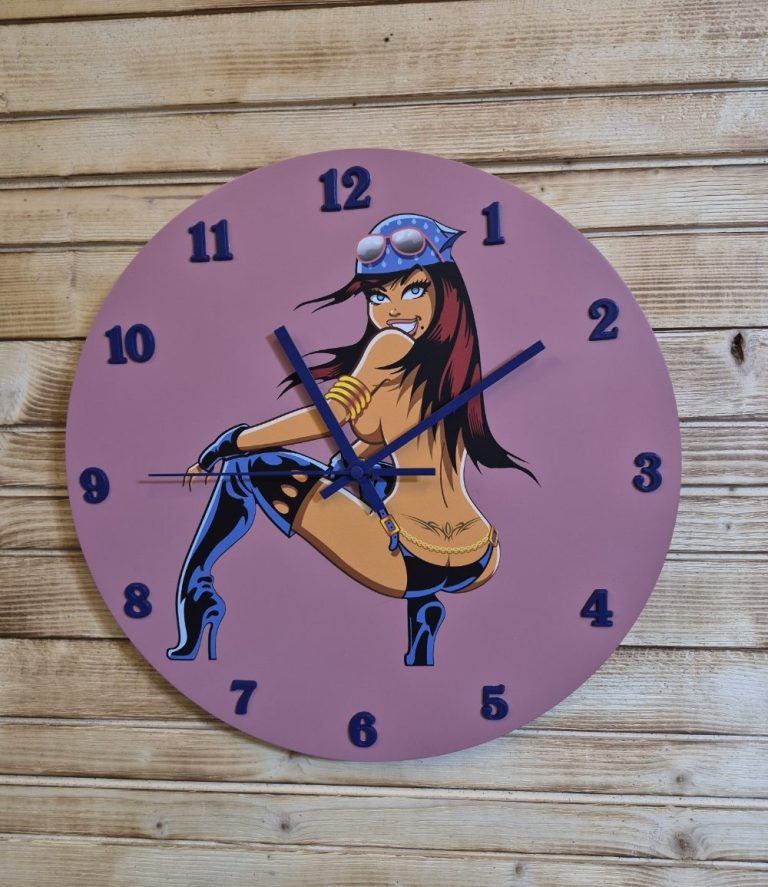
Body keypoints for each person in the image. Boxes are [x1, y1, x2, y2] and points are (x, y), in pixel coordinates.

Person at [167, 213, 536, 666]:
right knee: (368, 475)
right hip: (477, 556)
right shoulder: (456, 368)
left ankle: (197, 591)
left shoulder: (389, 346)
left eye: (413, 290)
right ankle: (423, 614)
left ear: (447, 293)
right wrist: (348, 465)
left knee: (250, 468)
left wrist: (236, 440)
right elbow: (389, 444)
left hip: (404, 555)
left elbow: (330, 417)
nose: (393, 310)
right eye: (379, 296)